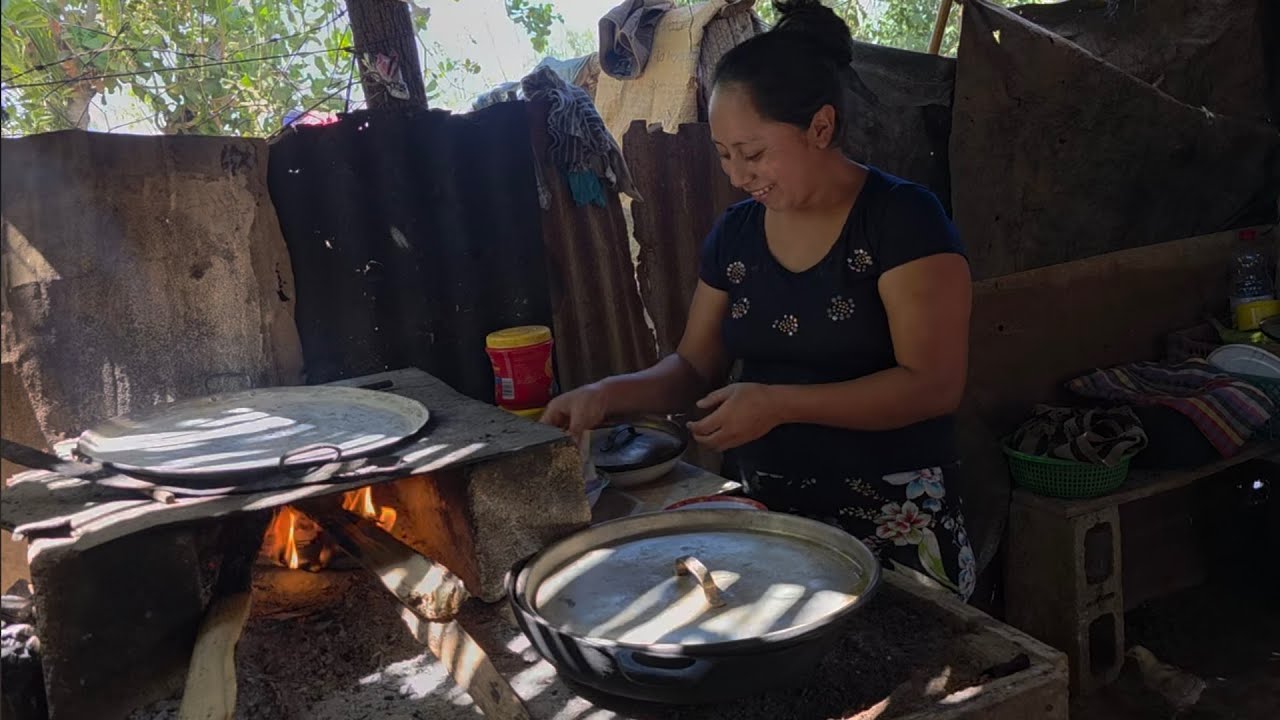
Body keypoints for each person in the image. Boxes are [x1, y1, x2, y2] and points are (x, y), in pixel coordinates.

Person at [542, 0, 976, 601]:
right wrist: (604, 395)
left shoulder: (901, 220)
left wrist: (778, 404)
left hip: (896, 515)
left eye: (753, 153)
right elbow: (694, 368)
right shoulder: (738, 234)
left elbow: (932, 385)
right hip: (771, 517)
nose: (737, 175)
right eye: (724, 154)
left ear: (820, 128)